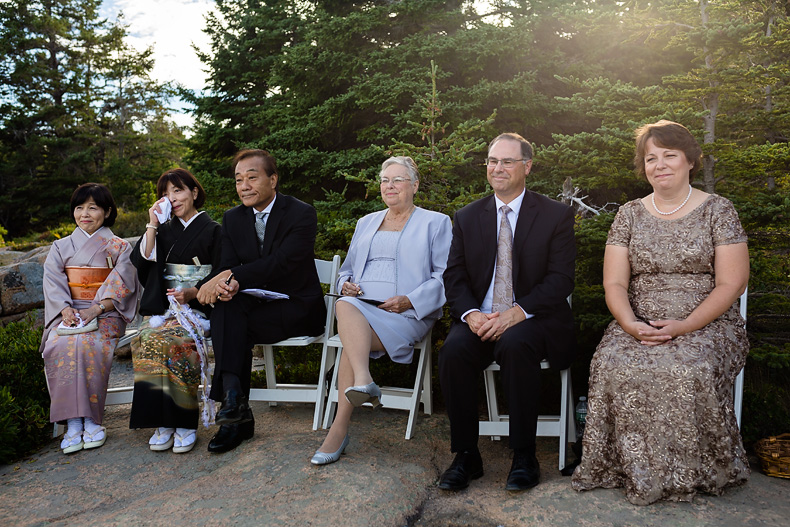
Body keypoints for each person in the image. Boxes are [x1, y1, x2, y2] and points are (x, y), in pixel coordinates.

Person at [572, 120, 750, 505]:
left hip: (708, 322)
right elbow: (615, 284)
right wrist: (630, 325)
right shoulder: (629, 214)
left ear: (690, 161)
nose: (660, 164)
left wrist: (686, 324)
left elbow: (731, 284)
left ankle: (691, 473)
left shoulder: (718, 210)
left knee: (686, 368)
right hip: (637, 320)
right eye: (651, 158)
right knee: (612, 363)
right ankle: (624, 469)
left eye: (670, 155)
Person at [438, 133, 576, 491]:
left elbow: (561, 280)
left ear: (527, 166)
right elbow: (454, 275)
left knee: (516, 344)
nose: (497, 168)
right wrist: (470, 314)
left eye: (507, 162)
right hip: (481, 319)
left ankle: (524, 455)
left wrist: (519, 311)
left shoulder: (555, 215)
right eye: (492, 161)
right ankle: (467, 455)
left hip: (534, 320)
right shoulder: (468, 217)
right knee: (453, 350)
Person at [310, 156, 452, 465]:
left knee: (350, 339)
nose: (390, 185)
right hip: (360, 306)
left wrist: (410, 300)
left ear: (414, 185)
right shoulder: (366, 222)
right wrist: (346, 283)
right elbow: (346, 271)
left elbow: (445, 277)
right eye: (385, 180)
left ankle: (339, 428)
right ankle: (362, 380)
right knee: (345, 304)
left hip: (405, 313)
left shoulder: (435, 222)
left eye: (398, 180)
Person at [196, 149, 326, 453]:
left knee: (229, 323)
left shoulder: (301, 213)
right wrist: (224, 286)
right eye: (239, 180)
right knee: (228, 309)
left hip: (297, 307)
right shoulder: (232, 218)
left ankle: (235, 416)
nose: (244, 186)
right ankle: (233, 406)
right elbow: (226, 265)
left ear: (273, 179)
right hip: (253, 307)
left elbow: (282, 263)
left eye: (252, 178)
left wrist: (231, 277)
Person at [41, 183, 141, 454]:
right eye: (79, 207)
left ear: (107, 212)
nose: (84, 213)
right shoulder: (60, 247)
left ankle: (92, 420)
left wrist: (96, 309)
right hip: (68, 313)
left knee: (88, 344)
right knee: (60, 346)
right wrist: (65, 310)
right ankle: (74, 422)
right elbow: (53, 282)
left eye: (93, 208)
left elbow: (124, 284)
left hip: (105, 312)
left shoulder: (119, 247)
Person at [128, 169, 222, 453]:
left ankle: (183, 421)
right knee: (146, 338)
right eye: (167, 193)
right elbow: (142, 262)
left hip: (198, 309)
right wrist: (152, 224)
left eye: (178, 190)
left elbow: (220, 272)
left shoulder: (214, 229)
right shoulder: (164, 231)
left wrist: (195, 292)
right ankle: (161, 421)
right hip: (165, 308)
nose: (173, 197)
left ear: (194, 192)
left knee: (177, 342)